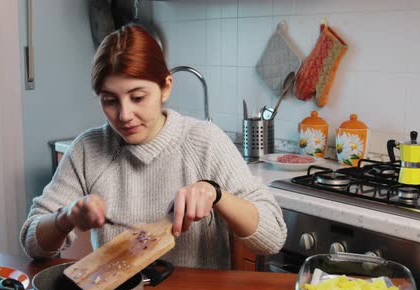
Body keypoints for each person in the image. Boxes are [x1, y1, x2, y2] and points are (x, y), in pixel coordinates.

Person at [20, 24, 287, 269]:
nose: (124, 115)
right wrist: (65, 217)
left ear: (166, 87)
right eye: (109, 100)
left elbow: (273, 237)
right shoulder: (88, 150)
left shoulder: (205, 141)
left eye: (138, 97)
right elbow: (33, 245)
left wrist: (217, 195)